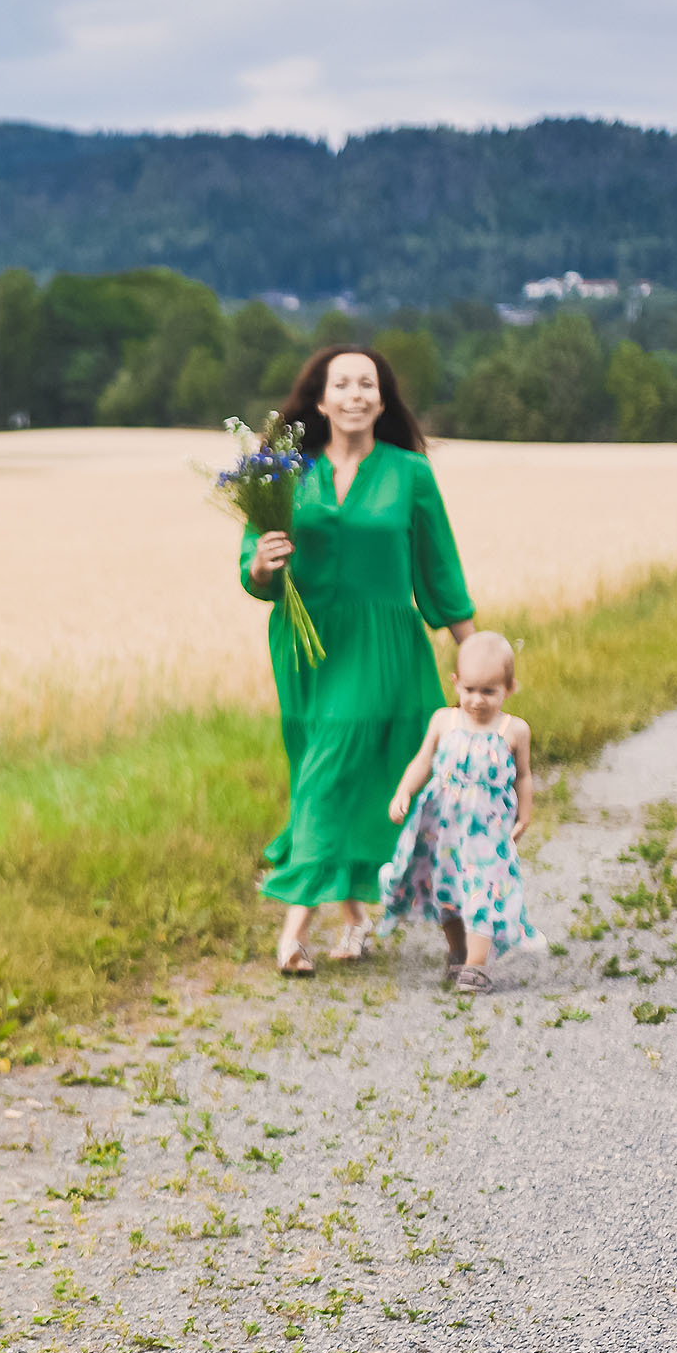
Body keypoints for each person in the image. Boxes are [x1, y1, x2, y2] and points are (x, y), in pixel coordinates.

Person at [243, 344, 477, 976]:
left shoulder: (410, 474)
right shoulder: (284, 473)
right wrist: (260, 565)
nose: (355, 394)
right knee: (325, 772)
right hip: (306, 650)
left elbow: (439, 567)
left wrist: (474, 649)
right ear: (320, 401)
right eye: (341, 384)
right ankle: (359, 918)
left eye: (367, 384)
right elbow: (256, 571)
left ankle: (296, 933)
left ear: (382, 399)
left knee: (384, 781)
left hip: (387, 650)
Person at [379, 630, 539, 991]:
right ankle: (458, 951)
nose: (477, 700)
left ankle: (477, 966)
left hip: (487, 833)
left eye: (489, 691)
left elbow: (524, 776)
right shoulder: (444, 721)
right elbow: (423, 761)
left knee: (484, 890)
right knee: (446, 890)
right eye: (469, 690)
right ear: (455, 682)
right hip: (443, 830)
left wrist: (525, 815)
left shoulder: (514, 730)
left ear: (510, 688)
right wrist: (403, 791)